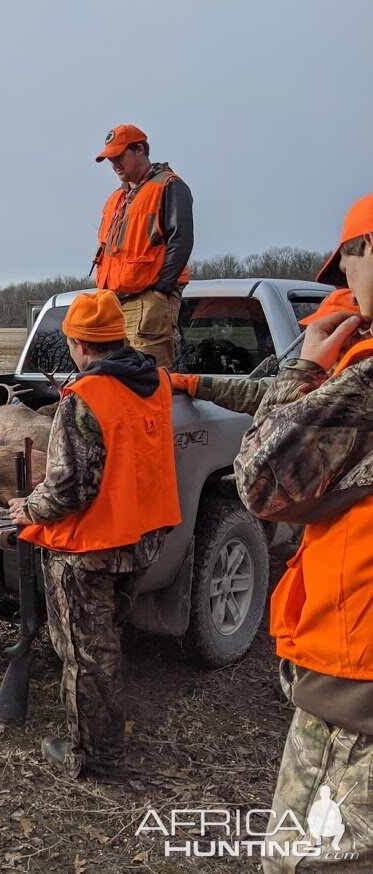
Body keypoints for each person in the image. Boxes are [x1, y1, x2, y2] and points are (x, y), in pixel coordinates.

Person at [235, 194, 373, 871]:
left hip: (356, 687)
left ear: (365, 251)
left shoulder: (359, 376)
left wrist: (303, 370)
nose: (341, 288)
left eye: (345, 264)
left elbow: (263, 484)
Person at [8, 289, 179, 782]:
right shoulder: (155, 383)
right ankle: (108, 735)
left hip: (90, 552)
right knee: (106, 644)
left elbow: (68, 491)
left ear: (80, 344)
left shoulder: (84, 399)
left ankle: (93, 759)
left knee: (85, 656)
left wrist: (27, 508)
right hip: (142, 541)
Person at [93, 124, 194, 368]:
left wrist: (161, 290)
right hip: (114, 303)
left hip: (147, 300)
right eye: (111, 159)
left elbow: (181, 240)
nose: (115, 164)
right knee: (119, 381)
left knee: (149, 380)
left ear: (139, 150)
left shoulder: (169, 186)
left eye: (119, 157)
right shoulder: (118, 197)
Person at [168, 287, 362, 414]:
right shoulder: (321, 375)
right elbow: (256, 392)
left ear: (357, 331)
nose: (317, 337)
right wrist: (195, 384)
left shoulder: (356, 384)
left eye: (329, 329)